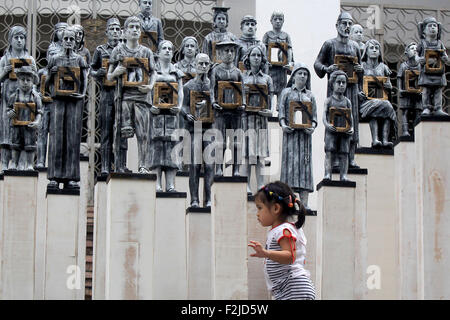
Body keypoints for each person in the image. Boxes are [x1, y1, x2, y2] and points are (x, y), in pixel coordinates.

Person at [248, 181, 315, 300]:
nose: (257, 214)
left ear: (275, 208)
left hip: (294, 288)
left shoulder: (283, 230)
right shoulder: (281, 230)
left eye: (260, 208)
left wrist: (266, 253)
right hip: (288, 288)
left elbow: (290, 255)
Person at [107, 15, 157, 174]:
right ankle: (119, 165)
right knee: (122, 132)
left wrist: (150, 86)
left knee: (143, 134)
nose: (135, 30)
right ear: (125, 31)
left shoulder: (146, 52)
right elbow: (108, 76)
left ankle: (143, 165)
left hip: (142, 97)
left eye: (137, 27)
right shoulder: (118, 50)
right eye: (132, 27)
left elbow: (153, 72)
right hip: (125, 96)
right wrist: (116, 72)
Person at [314, 12, 362, 168]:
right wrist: (327, 68)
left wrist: (360, 70)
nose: (347, 27)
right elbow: (317, 64)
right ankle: (334, 157)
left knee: (352, 119)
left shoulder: (355, 46)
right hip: (334, 90)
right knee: (334, 120)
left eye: (349, 24)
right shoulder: (329, 44)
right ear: (337, 25)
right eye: (344, 23)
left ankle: (351, 156)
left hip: (352, 90)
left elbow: (360, 71)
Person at [45, 26, 89, 189]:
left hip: (74, 101)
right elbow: (47, 82)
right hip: (58, 100)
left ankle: (71, 177)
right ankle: (54, 176)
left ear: (75, 41)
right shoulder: (55, 59)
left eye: (72, 39)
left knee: (72, 137)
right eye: (66, 39)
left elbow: (84, 80)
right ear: (61, 41)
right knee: (57, 136)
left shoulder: (79, 59)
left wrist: (82, 94)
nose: (69, 42)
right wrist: (52, 73)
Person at [91, 18, 128, 174]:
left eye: (117, 28)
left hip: (123, 94)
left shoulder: (126, 50)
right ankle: (105, 166)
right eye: (111, 29)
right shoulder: (100, 50)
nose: (114, 31)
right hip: (107, 93)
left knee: (123, 131)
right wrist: (98, 73)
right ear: (106, 32)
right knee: (106, 131)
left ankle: (121, 165)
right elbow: (90, 70)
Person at [278, 63, 317, 210]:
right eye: (300, 73)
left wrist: (312, 127)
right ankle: (290, 202)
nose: (303, 76)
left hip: (305, 138)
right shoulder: (286, 93)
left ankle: (304, 203)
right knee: (290, 166)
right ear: (293, 75)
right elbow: (282, 111)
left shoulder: (310, 95)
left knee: (305, 167)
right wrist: (283, 124)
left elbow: (314, 117)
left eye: (305, 74)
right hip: (291, 137)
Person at [0, 26, 37, 172]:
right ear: (10, 40)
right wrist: (4, 72)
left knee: (24, 129)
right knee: (6, 131)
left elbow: (36, 80)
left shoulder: (29, 59)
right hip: (7, 99)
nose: (20, 41)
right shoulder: (4, 59)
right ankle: (4, 162)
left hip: (25, 100)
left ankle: (23, 162)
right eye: (17, 37)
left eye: (22, 38)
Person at [150, 40, 184, 192]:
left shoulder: (176, 72)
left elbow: (181, 91)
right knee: (156, 147)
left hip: (172, 115)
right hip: (156, 115)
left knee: (171, 147)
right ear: (158, 51)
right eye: (164, 48)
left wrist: (179, 106)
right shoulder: (153, 70)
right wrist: (150, 105)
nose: (168, 51)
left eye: (170, 48)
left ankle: (170, 183)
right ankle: (157, 183)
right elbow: (148, 89)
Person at [182, 53, 214, 207]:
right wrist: (187, 114)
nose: (203, 66)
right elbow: (183, 105)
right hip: (194, 129)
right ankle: (194, 199)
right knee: (194, 165)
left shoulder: (212, 85)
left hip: (209, 128)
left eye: (206, 63)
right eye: (200, 63)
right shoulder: (188, 86)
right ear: (195, 64)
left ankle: (208, 199)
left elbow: (217, 103)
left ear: (209, 65)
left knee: (209, 164)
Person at [209, 40, 245, 177]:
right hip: (220, 111)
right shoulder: (216, 70)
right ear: (220, 53)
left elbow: (242, 90)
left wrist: (243, 104)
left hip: (235, 112)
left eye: (232, 51)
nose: (229, 53)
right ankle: (219, 168)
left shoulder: (237, 72)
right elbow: (212, 88)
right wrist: (213, 102)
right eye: (226, 51)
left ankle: (236, 169)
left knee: (236, 141)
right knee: (220, 141)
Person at [242, 45, 273, 194]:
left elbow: (269, 101)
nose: (256, 58)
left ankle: (261, 184)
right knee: (248, 155)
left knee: (260, 155)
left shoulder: (267, 78)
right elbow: (237, 100)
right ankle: (247, 184)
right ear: (248, 58)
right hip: (246, 120)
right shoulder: (242, 77)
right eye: (253, 55)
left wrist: (268, 111)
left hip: (261, 121)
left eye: (259, 56)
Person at [359, 39, 396, 148]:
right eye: (371, 48)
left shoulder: (383, 67)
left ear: (380, 52)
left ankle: (385, 140)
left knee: (388, 106)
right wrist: (358, 93)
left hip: (382, 99)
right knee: (376, 105)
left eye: (376, 48)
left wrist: (389, 87)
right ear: (366, 51)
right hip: (366, 101)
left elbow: (388, 85)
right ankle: (375, 139)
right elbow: (356, 84)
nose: (374, 50)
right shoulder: (362, 66)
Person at [6, 66, 42, 170]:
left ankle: (30, 164)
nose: (25, 82)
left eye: (28, 80)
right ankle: (14, 163)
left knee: (30, 145)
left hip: (29, 126)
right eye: (22, 80)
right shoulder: (14, 96)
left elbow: (39, 112)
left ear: (32, 82)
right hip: (16, 125)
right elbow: (8, 109)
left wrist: (36, 122)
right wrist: (10, 113)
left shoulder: (35, 97)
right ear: (18, 81)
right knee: (15, 144)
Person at [323, 70, 354, 181]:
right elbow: (324, 116)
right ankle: (327, 174)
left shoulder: (347, 101)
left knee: (344, 153)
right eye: (339, 82)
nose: (341, 85)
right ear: (333, 84)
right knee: (329, 152)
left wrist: (352, 128)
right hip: (331, 131)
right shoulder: (329, 100)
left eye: (344, 83)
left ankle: (343, 175)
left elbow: (351, 117)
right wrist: (327, 125)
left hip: (344, 132)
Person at [416, 17, 449, 116]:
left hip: (438, 73)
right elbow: (416, 54)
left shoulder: (440, 43)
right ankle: (426, 107)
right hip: (426, 72)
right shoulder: (422, 43)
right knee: (426, 90)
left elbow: (444, 55)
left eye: (435, 26)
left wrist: (445, 58)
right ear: (424, 31)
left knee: (438, 91)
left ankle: (438, 107)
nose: (433, 28)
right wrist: (418, 59)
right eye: (430, 26)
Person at [262, 11, 293, 112]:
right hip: (270, 70)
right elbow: (263, 50)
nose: (278, 21)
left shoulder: (286, 36)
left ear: (283, 21)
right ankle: (269, 111)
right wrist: (265, 62)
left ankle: (280, 115)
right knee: (269, 91)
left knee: (281, 92)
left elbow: (289, 50)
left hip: (281, 71)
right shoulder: (267, 35)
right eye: (275, 19)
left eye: (280, 19)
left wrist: (290, 63)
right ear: (271, 21)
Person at [397, 42, 422, 137]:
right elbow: (399, 77)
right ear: (406, 52)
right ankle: (405, 131)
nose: (415, 50)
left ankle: (417, 131)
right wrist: (400, 89)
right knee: (406, 111)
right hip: (406, 93)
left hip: (418, 94)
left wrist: (422, 90)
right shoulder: (404, 66)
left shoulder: (420, 66)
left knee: (418, 111)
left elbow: (423, 78)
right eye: (412, 48)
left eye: (416, 49)